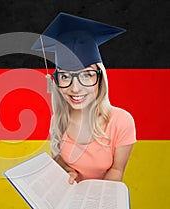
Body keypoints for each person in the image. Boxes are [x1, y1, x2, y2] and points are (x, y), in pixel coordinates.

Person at [32, 12, 136, 184]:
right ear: (56, 82)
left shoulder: (121, 121)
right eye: (65, 77)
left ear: (100, 78)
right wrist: (65, 170)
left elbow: (117, 171)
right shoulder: (58, 119)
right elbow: (57, 157)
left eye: (87, 75)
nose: (75, 88)